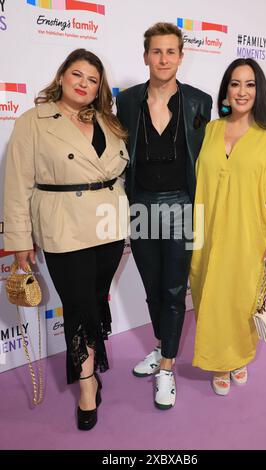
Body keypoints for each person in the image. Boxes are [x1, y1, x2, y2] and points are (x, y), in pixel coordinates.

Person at [3, 48, 129, 429]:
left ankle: (92, 363)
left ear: (99, 88)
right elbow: (16, 185)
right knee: (77, 307)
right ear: (61, 77)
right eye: (77, 75)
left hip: (109, 227)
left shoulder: (109, 121)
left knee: (93, 300)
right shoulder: (34, 122)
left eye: (92, 80)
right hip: (63, 227)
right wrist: (20, 238)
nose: (83, 84)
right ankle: (87, 383)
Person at [190, 58, 266, 396]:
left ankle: (237, 358)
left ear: (259, 90)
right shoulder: (211, 130)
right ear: (226, 90)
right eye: (235, 84)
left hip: (248, 234)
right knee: (208, 296)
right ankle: (218, 359)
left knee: (240, 300)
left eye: (250, 84)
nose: (242, 91)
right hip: (206, 233)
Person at [116, 22, 212, 409]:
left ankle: (167, 367)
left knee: (174, 290)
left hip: (181, 206)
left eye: (171, 51)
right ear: (145, 56)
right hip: (140, 204)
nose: (164, 58)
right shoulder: (127, 102)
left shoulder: (199, 102)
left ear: (181, 57)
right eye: (157, 51)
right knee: (153, 288)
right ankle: (162, 347)